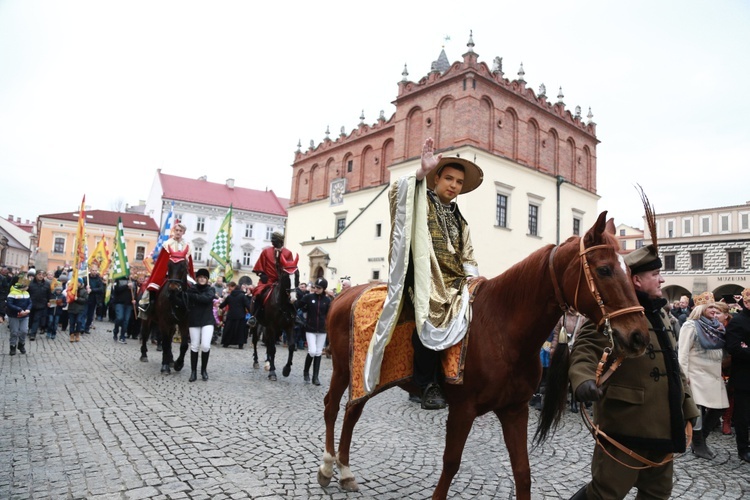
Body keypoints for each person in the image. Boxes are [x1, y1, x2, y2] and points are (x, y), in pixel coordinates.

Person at [568, 244, 699, 500]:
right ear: (636, 280)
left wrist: (689, 410)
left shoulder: (661, 314)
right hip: (626, 427)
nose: (662, 279)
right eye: (655, 275)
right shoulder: (616, 315)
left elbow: (674, 369)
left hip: (665, 429)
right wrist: (583, 380)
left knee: (657, 494)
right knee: (605, 494)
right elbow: (585, 349)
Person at [364, 137, 483, 410]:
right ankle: (427, 384)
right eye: (449, 179)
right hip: (424, 278)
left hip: (455, 282)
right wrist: (419, 173)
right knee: (428, 318)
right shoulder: (422, 200)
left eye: (459, 182)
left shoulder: (459, 219)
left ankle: (462, 374)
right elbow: (398, 193)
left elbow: (468, 254)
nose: (453, 186)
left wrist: (475, 280)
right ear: (437, 178)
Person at [678, 292, 729, 459]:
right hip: (696, 375)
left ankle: (702, 438)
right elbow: (683, 353)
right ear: (701, 308)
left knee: (720, 407)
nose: (714, 310)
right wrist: (684, 376)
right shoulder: (690, 326)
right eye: (711, 307)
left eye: (715, 307)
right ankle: (699, 444)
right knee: (697, 412)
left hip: (713, 375)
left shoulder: (717, 326)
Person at [144, 222, 195, 311]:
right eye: (176, 230)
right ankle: (150, 306)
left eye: (180, 231)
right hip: (168, 272)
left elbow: (189, 263)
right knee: (154, 286)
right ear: (173, 231)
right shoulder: (167, 244)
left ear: (183, 232)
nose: (178, 232)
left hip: (182, 273)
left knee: (194, 287)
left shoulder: (187, 245)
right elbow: (162, 262)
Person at [251, 231, 298, 325]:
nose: (272, 241)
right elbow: (259, 266)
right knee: (258, 293)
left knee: (293, 296)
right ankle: (254, 316)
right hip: (267, 280)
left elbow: (290, 268)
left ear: (280, 241)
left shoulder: (288, 253)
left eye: (274, 240)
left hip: (282, 282)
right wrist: (261, 275)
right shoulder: (266, 252)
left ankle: (294, 316)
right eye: (272, 240)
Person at [726, 287, 750, 463]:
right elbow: (734, 347)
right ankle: (743, 448)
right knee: (743, 416)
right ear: (746, 302)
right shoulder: (738, 321)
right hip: (745, 377)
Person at [296, 277, 332, 385]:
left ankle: (315, 377)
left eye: (319, 288)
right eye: (315, 287)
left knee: (318, 353)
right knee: (312, 351)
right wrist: (293, 300)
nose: (316, 289)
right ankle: (306, 371)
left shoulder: (327, 300)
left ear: (324, 289)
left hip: (322, 329)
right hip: (310, 328)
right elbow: (299, 305)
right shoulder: (309, 297)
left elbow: (329, 314)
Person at [186, 268, 215, 382]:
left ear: (207, 279)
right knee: (194, 346)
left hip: (207, 320)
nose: (202, 279)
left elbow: (206, 299)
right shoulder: (191, 289)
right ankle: (193, 372)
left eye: (204, 277)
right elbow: (185, 299)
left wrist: (194, 296)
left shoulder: (211, 289)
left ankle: (204, 370)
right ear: (197, 278)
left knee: (206, 346)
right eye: (200, 277)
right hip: (194, 320)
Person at [219, 282, 250, 348]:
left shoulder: (229, 296)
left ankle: (226, 343)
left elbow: (222, 305)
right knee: (240, 330)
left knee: (229, 329)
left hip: (231, 315)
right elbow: (247, 305)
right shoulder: (242, 296)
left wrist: (219, 305)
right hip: (241, 315)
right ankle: (240, 344)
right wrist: (251, 313)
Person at [6, 278, 31, 355]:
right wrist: (19, 309)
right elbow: (9, 304)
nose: (28, 287)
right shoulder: (12, 293)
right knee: (14, 332)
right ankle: (12, 346)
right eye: (27, 286)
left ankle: (21, 344)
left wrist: (28, 309)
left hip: (25, 315)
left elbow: (30, 303)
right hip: (14, 315)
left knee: (24, 331)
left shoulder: (27, 293)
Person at [111, 274, 136, 344]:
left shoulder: (133, 281)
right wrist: (126, 286)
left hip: (129, 304)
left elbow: (135, 292)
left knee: (126, 321)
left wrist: (135, 299)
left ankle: (122, 336)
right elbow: (116, 289)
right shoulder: (119, 279)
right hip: (119, 302)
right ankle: (115, 331)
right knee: (119, 318)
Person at [27, 268, 50, 340]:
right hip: (31, 304)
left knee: (36, 319)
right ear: (36, 275)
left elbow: (49, 294)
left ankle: (33, 334)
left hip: (41, 304)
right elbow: (26, 292)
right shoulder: (30, 283)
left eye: (43, 275)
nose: (41, 276)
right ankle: (30, 329)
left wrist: (49, 301)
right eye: (39, 274)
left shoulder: (47, 284)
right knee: (31, 318)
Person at [67, 278, 89, 343]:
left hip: (80, 309)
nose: (77, 284)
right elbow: (68, 298)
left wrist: (77, 299)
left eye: (78, 282)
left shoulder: (84, 291)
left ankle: (77, 333)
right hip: (72, 308)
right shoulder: (71, 290)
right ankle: (71, 334)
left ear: (81, 283)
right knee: (72, 322)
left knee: (79, 321)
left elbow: (85, 300)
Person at [84, 266, 105, 333]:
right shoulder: (85, 278)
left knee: (90, 315)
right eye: (93, 270)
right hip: (85, 299)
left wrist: (92, 290)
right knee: (84, 313)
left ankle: (87, 327)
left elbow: (101, 289)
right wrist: (86, 288)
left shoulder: (99, 279)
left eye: (95, 270)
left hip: (94, 299)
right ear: (90, 270)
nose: (94, 272)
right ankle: (81, 327)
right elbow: (81, 287)